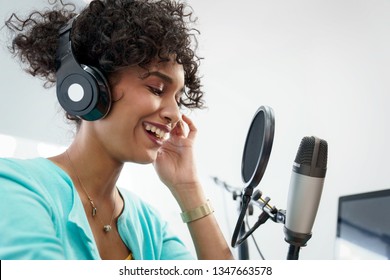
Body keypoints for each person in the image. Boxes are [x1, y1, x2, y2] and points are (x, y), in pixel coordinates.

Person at [0, 0, 234, 260]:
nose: (175, 114)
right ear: (90, 88)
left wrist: (188, 188)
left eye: (178, 99)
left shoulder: (150, 226)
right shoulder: (17, 186)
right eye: (157, 89)